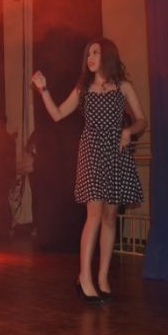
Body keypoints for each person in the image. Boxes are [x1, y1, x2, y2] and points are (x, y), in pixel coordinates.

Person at [31, 38, 146, 303]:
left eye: (96, 53)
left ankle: (102, 277)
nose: (90, 58)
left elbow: (142, 120)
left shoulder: (123, 86)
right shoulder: (83, 89)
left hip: (116, 153)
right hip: (92, 152)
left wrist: (128, 131)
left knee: (110, 216)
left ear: (108, 56)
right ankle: (84, 276)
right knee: (93, 214)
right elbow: (58, 114)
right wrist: (43, 89)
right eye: (88, 54)